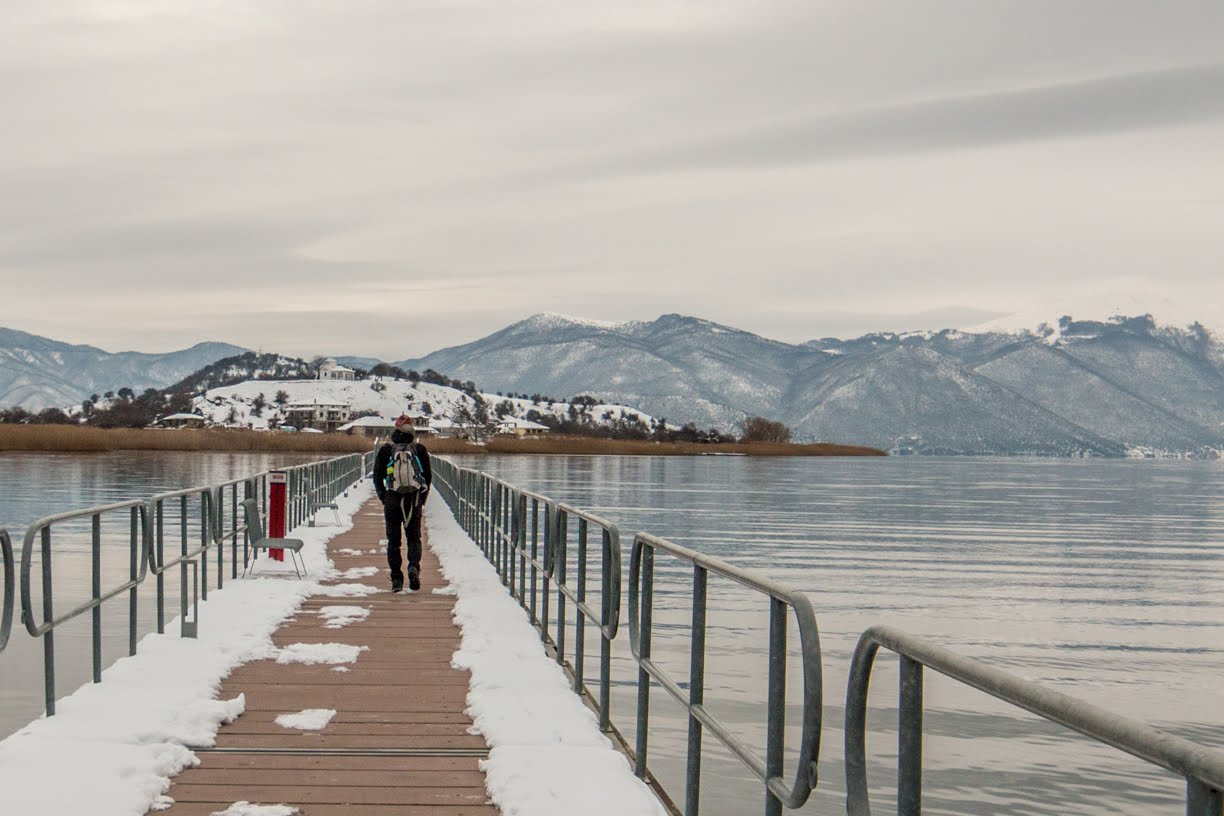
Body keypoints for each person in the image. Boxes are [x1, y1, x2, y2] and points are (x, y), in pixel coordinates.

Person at [372, 415, 433, 592]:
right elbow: (427, 477)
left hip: (392, 499)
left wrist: (384, 497)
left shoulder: (386, 450)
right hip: (413, 500)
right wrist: (422, 499)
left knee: (394, 541)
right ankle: (413, 567)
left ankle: (396, 579)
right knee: (414, 538)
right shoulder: (419, 449)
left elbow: (377, 477)